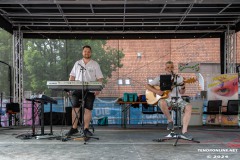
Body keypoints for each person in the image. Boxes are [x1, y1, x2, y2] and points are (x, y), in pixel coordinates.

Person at [145, 61, 193, 140]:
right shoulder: (160, 78)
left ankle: (184, 132)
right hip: (167, 100)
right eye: (168, 67)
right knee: (161, 101)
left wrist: (183, 86)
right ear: (165, 68)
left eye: (171, 67)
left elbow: (182, 92)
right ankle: (170, 121)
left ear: (173, 68)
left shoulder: (179, 78)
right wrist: (156, 91)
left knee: (189, 106)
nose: (169, 69)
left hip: (178, 100)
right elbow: (147, 86)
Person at [66, 45, 103, 137]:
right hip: (77, 89)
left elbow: (100, 78)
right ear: (82, 52)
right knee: (75, 108)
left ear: (91, 53)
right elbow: (72, 76)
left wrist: (98, 89)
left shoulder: (95, 64)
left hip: (90, 90)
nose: (87, 53)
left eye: (88, 51)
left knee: (88, 109)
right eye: (85, 51)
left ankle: (86, 129)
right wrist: (70, 87)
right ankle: (74, 128)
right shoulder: (77, 63)